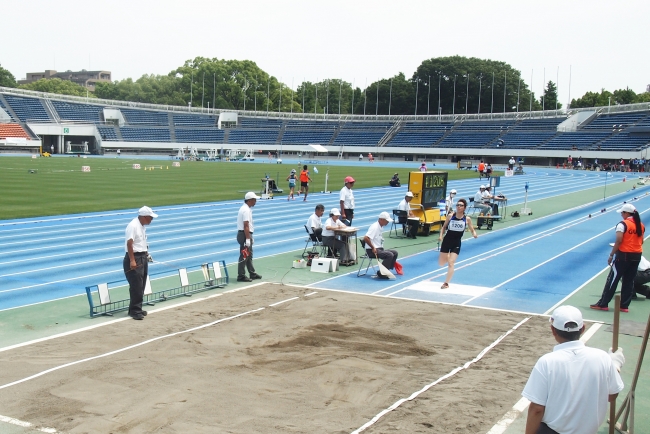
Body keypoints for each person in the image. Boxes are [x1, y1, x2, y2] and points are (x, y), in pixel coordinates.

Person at [522, 305, 625, 434]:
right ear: (583, 329)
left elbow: (537, 408)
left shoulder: (547, 362)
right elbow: (612, 395)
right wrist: (615, 366)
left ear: (553, 330)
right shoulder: (603, 358)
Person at [591, 203, 645, 312]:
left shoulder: (623, 224)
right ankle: (624, 306)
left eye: (622, 213)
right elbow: (641, 241)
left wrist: (611, 254)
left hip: (623, 256)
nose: (621, 215)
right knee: (629, 281)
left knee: (612, 279)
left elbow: (619, 240)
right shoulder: (641, 225)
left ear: (626, 213)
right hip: (636, 256)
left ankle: (603, 304)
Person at [123, 206, 158, 320]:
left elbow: (142, 242)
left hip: (142, 256)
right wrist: (132, 260)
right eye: (150, 217)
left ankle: (137, 307)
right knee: (136, 285)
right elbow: (130, 244)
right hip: (135, 258)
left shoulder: (142, 226)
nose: (151, 220)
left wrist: (147, 254)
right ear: (143, 217)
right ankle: (134, 311)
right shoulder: (133, 226)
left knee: (141, 284)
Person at [438, 199, 477, 289]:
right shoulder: (450, 216)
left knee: (451, 263)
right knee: (441, 262)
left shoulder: (467, 219)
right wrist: (441, 236)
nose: (459, 206)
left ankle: (446, 283)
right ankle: (447, 256)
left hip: (456, 242)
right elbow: (444, 227)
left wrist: (474, 233)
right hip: (447, 241)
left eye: (461, 205)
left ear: (464, 208)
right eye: (457, 205)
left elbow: (472, 229)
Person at [236, 192, 263, 282]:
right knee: (244, 255)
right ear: (250, 200)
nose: (255, 202)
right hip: (244, 234)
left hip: (245, 234)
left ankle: (252, 273)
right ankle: (241, 275)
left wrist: (250, 236)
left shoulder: (245, 208)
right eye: (254, 200)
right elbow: (246, 225)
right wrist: (248, 238)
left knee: (249, 255)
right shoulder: (246, 210)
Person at [364, 212, 398, 279]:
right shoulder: (375, 227)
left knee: (395, 253)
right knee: (389, 255)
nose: (388, 222)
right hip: (372, 250)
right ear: (381, 219)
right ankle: (382, 273)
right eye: (387, 220)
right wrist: (373, 247)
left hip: (379, 249)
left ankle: (386, 270)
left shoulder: (381, 227)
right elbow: (366, 238)